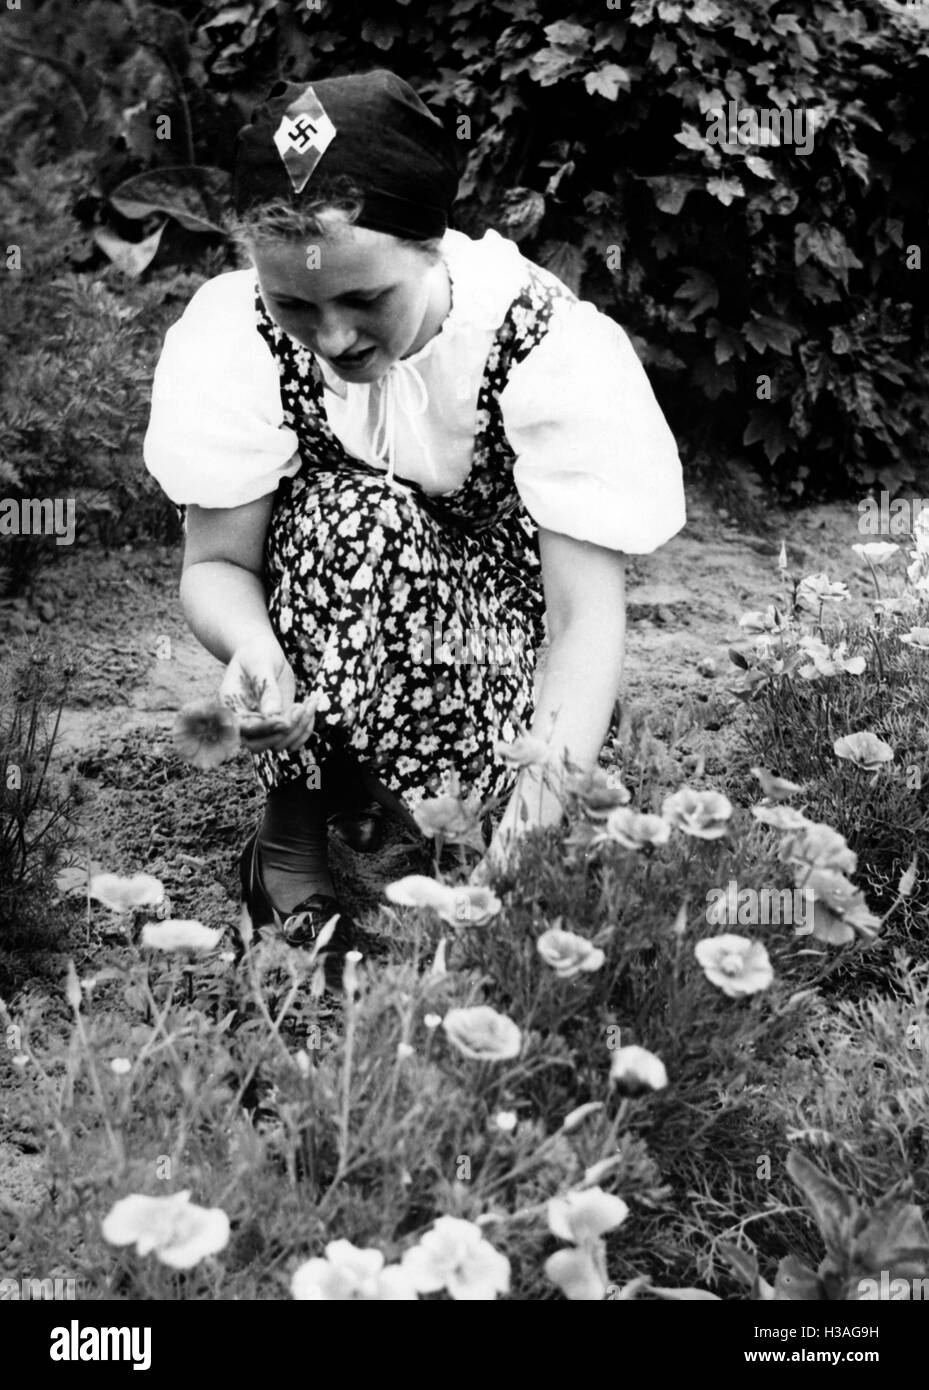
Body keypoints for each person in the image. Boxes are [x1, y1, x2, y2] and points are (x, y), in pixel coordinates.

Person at [143, 69, 686, 959]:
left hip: (492, 638)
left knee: (483, 840)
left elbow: (584, 623)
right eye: (295, 306)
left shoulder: (540, 344)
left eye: (365, 300)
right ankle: (290, 844)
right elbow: (217, 568)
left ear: (431, 247)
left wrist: (525, 854)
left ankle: (413, 801)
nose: (332, 339)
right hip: (327, 619)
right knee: (348, 516)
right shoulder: (235, 337)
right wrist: (253, 646)